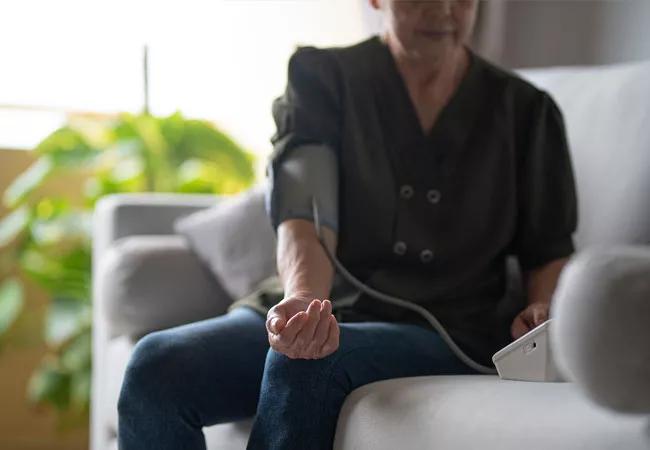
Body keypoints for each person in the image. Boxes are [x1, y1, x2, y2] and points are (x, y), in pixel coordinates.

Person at [117, 1, 578, 449]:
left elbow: (549, 246)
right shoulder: (323, 77)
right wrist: (305, 302)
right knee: (157, 367)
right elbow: (304, 208)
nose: (442, 11)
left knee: (307, 361)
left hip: (450, 329)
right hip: (327, 300)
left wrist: (541, 309)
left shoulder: (527, 111)